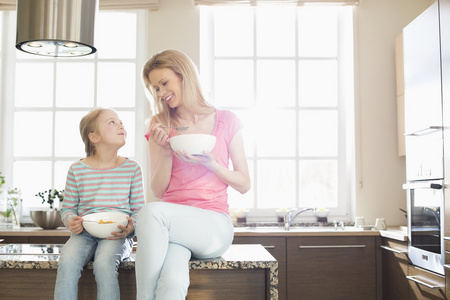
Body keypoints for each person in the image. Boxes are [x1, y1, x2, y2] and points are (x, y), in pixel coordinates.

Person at [135, 49, 251, 299]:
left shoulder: (226, 120)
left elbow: (244, 183)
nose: (161, 92)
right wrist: (166, 152)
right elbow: (157, 190)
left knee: (151, 213)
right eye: (155, 88)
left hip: (213, 226)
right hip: (173, 227)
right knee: (172, 283)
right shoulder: (159, 125)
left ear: (183, 75)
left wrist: (213, 165)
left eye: (164, 83)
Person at [54, 107, 145, 300]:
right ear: (94, 137)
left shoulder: (132, 169)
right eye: (112, 122)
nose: (120, 124)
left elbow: (138, 210)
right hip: (84, 234)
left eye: (120, 121)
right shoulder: (77, 170)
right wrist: (71, 221)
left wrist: (131, 228)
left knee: (104, 264)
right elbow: (68, 208)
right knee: (67, 262)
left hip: (116, 234)